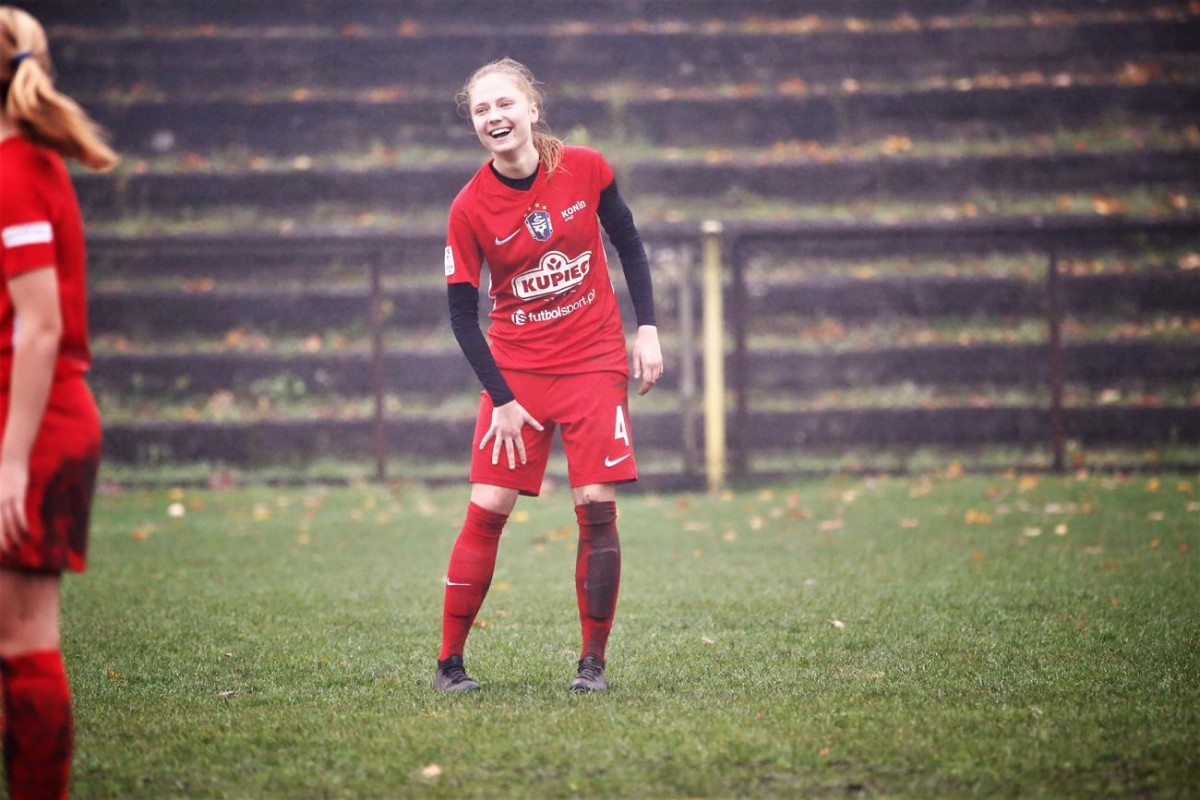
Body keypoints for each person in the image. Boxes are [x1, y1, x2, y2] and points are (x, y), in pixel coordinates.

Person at [435, 58, 663, 693]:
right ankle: (449, 664)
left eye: (505, 104)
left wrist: (647, 327)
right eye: (481, 110)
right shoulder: (468, 208)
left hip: (593, 361)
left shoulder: (586, 168)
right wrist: (503, 400)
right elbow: (462, 319)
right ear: (474, 124)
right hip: (517, 371)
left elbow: (629, 243)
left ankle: (592, 664)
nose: (494, 117)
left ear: (532, 109)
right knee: (488, 507)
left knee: (596, 506)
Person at [0, 7, 116, 797]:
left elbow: (40, 327)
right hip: (35, 421)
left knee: (24, 644)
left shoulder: (16, 172)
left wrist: (13, 461)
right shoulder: (24, 164)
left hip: (35, 428)